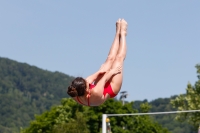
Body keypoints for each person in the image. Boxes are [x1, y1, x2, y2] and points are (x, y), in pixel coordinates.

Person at [67, 18, 127, 106]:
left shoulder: (75, 91)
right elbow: (105, 78)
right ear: (87, 90)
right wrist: (112, 71)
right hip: (111, 89)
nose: (87, 81)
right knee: (118, 59)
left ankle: (117, 32)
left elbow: (90, 79)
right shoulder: (95, 92)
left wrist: (100, 71)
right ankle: (123, 34)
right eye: (87, 84)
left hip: (99, 85)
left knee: (110, 58)